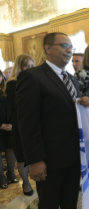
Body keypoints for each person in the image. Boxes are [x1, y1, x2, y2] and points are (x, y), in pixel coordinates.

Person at [16, 32, 89, 209]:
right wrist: (35, 161)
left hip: (73, 157)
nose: (69, 50)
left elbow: (71, 111)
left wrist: (85, 103)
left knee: (70, 203)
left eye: (71, 47)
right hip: (50, 160)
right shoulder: (32, 77)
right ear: (48, 48)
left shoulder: (72, 79)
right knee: (48, 206)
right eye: (64, 45)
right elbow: (27, 123)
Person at [5, 54, 35, 196]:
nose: (29, 68)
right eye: (26, 66)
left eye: (31, 66)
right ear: (19, 67)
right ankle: (26, 183)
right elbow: (16, 104)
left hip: (35, 121)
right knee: (22, 156)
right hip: (20, 123)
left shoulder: (35, 80)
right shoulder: (12, 83)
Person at [0, 70, 17, 189]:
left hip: (9, 124)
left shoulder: (7, 89)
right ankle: (1, 176)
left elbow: (14, 106)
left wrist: (11, 123)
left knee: (10, 148)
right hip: (0, 125)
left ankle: (11, 172)